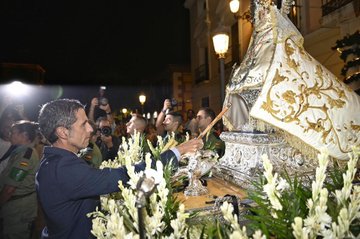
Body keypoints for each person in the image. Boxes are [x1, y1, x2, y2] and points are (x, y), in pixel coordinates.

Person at [36, 98, 203, 238]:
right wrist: (178, 151)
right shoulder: (64, 169)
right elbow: (123, 175)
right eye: (83, 124)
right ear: (63, 132)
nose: (90, 129)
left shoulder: (55, 162)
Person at [0, 120, 40, 239]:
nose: (9, 134)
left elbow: (9, 189)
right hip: (14, 208)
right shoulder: (19, 152)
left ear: (25, 135)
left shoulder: (25, 156)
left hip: (18, 211)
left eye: (13, 132)